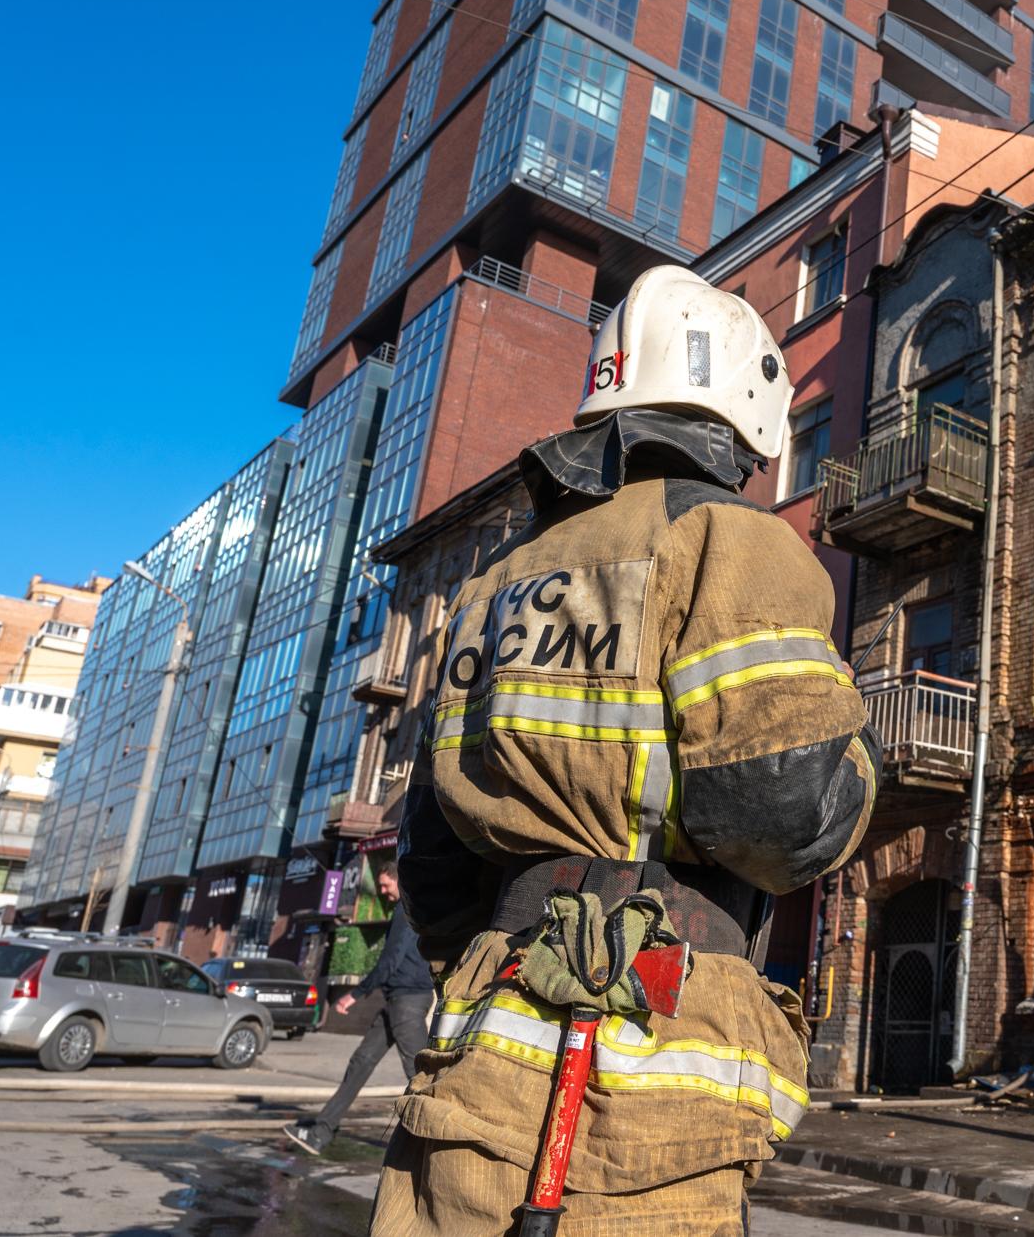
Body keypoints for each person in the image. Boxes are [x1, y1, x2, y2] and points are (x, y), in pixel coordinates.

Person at [371, 267, 879, 1235]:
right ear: (749, 414)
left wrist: (501, 958)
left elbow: (431, 849)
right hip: (649, 1053)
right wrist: (860, 754)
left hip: (483, 1037)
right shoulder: (733, 539)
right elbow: (779, 813)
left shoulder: (499, 581)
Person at [282, 863, 432, 1155]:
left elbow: (390, 962)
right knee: (360, 1063)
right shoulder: (406, 911)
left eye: (385, 884)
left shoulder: (407, 911)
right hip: (395, 1002)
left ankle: (435, 1143)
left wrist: (356, 994)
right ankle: (320, 1133)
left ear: (397, 881)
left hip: (408, 1002)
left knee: (421, 1075)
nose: (381, 891)